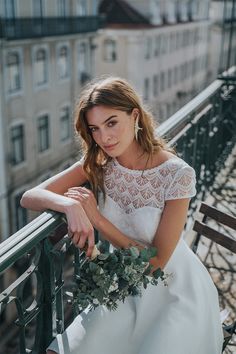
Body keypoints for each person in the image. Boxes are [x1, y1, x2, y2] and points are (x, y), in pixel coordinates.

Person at [21, 77, 223, 354]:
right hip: (124, 290)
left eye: (112, 122)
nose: (104, 137)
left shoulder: (177, 174)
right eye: (95, 129)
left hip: (174, 291)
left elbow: (156, 262)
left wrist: (97, 219)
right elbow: (30, 196)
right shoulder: (100, 163)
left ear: (135, 115)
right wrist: (70, 206)